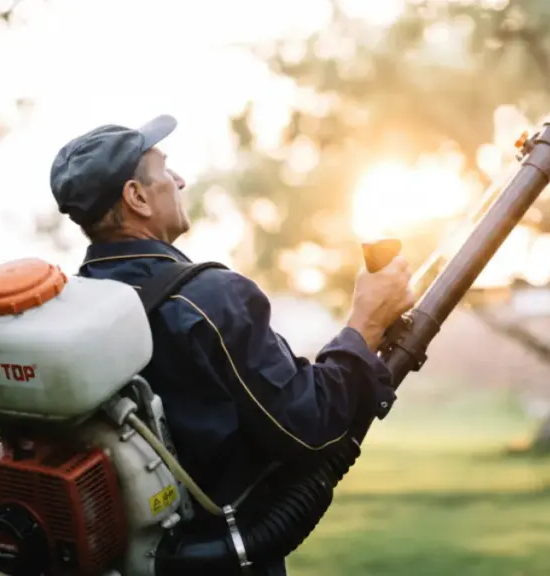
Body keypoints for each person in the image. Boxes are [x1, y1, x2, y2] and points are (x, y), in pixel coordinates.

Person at [49, 114, 416, 575]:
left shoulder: (71, 310)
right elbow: (308, 424)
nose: (180, 180)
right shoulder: (208, 299)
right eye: (165, 169)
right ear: (137, 197)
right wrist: (366, 323)